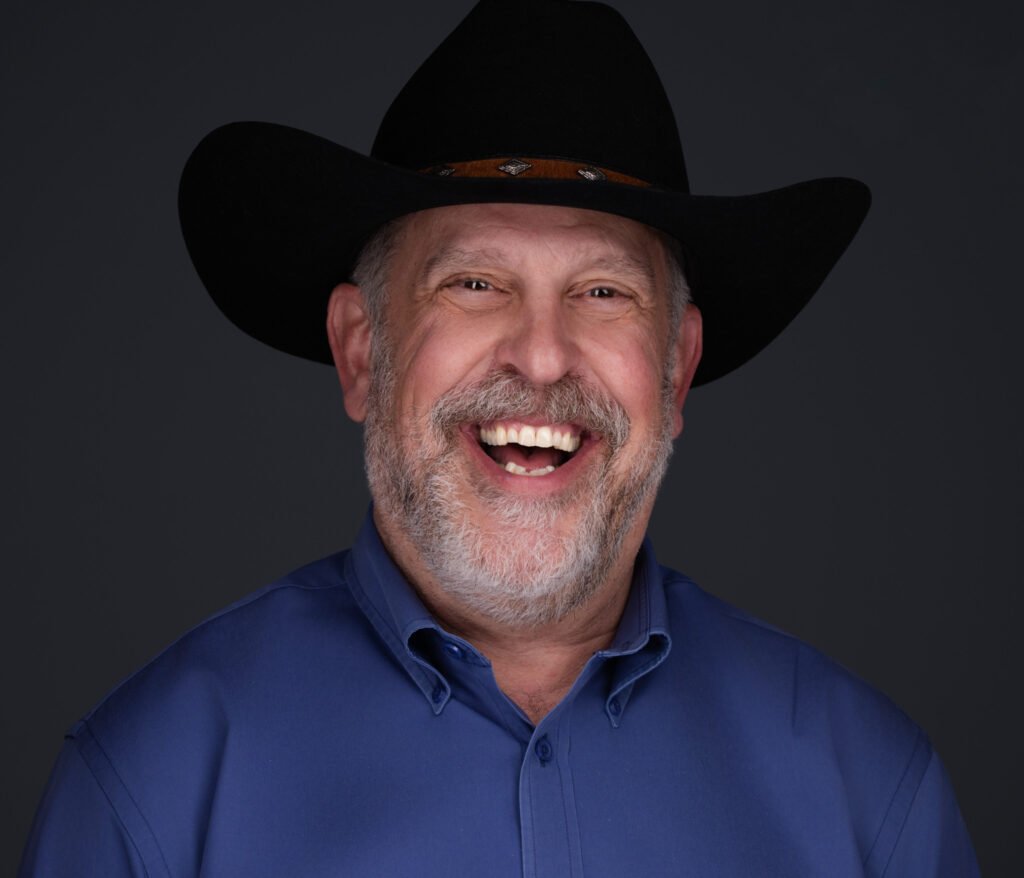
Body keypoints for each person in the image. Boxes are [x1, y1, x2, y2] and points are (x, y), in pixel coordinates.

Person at [19, 1, 980, 875]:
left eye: (604, 292)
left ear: (678, 367)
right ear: (363, 352)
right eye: (474, 283)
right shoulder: (150, 786)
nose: (544, 356)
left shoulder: (871, 796)